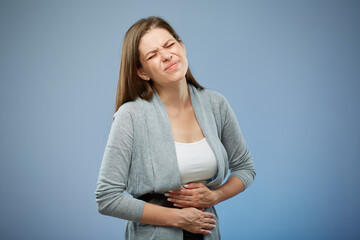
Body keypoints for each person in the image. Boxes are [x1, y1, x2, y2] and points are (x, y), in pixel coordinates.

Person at [95, 16, 255, 240]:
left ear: (182, 46)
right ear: (142, 72)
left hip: (207, 233)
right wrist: (178, 219)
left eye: (169, 45)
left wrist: (214, 196)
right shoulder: (131, 116)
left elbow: (245, 168)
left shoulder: (216, 104)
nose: (167, 55)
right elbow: (107, 198)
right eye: (152, 55)